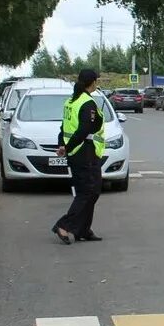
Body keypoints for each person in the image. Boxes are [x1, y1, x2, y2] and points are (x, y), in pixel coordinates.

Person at [52, 69, 106, 244]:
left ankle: (82, 229)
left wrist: (63, 145)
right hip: (84, 152)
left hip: (78, 153)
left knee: (92, 191)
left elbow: (64, 127)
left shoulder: (71, 101)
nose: (97, 84)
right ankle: (64, 225)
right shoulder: (86, 103)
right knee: (88, 191)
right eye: (96, 81)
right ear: (92, 83)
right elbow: (83, 131)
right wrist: (67, 147)